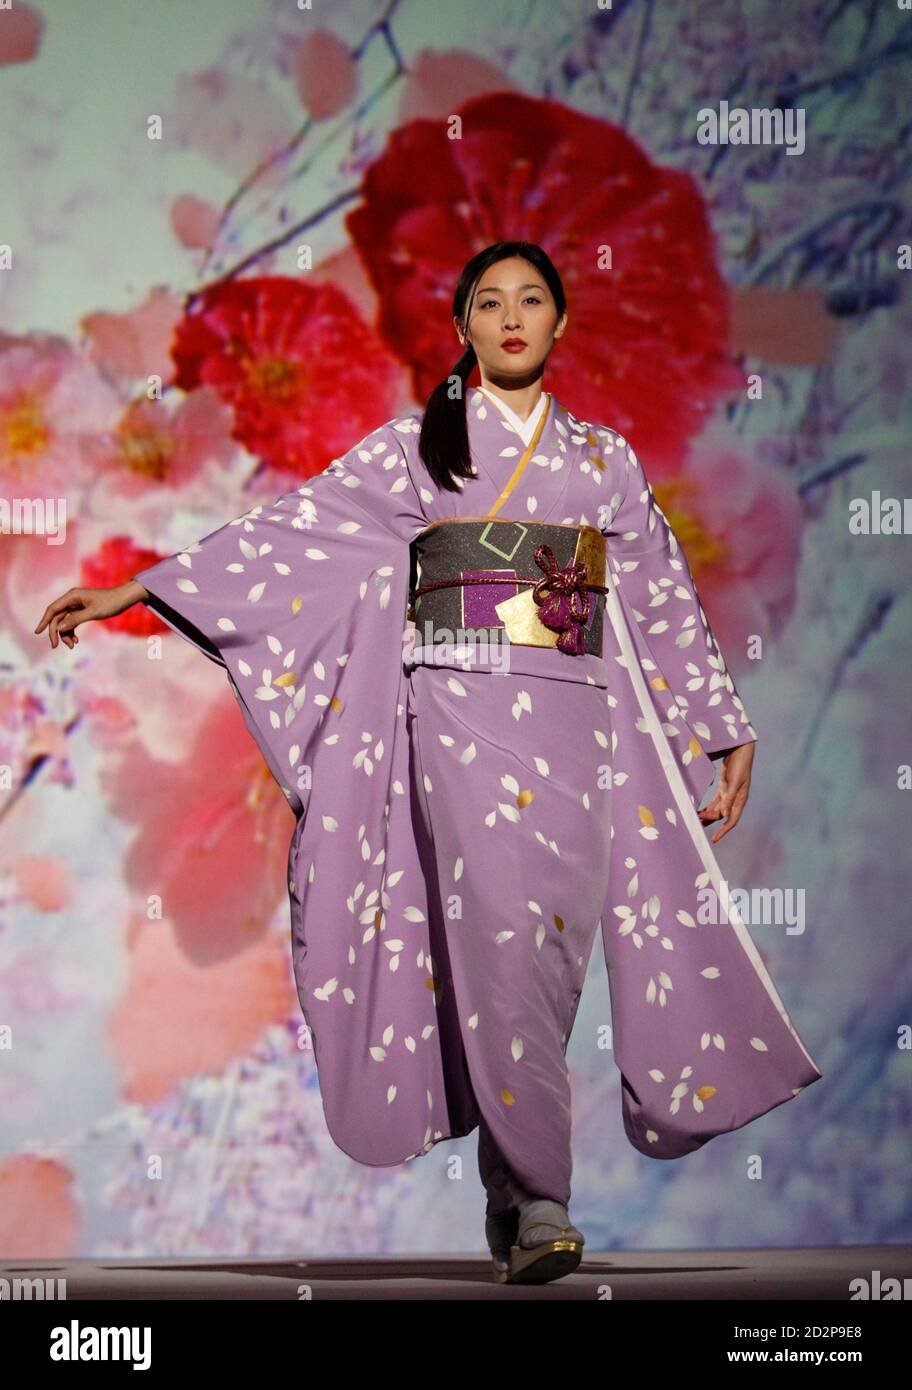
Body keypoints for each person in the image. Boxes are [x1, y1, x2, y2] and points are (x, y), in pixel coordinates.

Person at [35, 241, 821, 1285]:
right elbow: (289, 538)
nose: (509, 317)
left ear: (560, 323)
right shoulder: (417, 452)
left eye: (530, 300)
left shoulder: (605, 465)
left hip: (580, 722)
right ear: (462, 328)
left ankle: (510, 1183)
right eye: (488, 301)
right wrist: (139, 587)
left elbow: (664, 602)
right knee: (495, 935)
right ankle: (542, 1198)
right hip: (456, 718)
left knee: (544, 956)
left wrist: (718, 723)